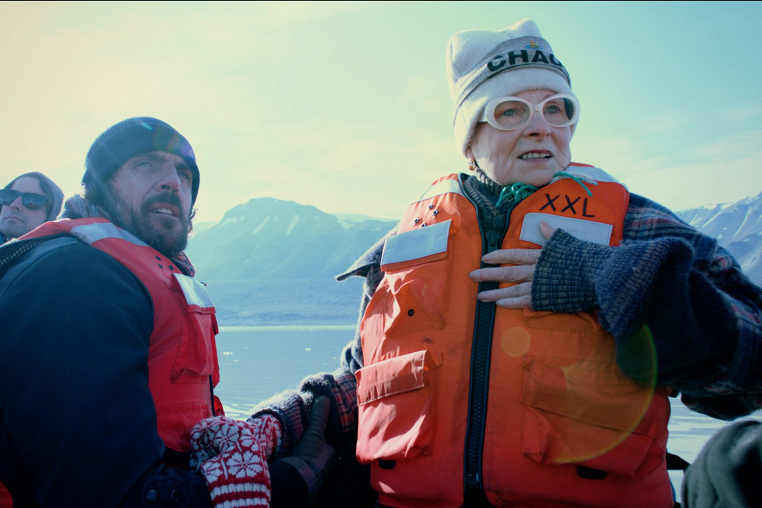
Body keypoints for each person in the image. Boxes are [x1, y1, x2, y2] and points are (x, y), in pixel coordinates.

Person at [243, 18, 762, 508]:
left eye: (557, 109)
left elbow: (748, 373)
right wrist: (284, 418)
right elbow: (365, 379)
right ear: (470, 139)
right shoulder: (404, 244)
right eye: (511, 111)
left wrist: (616, 278)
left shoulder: (637, 227)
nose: (541, 128)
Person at [0, 117, 333, 507]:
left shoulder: (133, 271)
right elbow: (109, 496)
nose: (173, 182)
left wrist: (277, 427)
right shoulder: (73, 277)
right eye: (146, 164)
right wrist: (294, 479)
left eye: (184, 175)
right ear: (99, 186)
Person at [0, 172, 64, 243]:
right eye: (8, 195)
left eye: (32, 201)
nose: (14, 205)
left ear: (53, 214)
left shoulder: (66, 249)